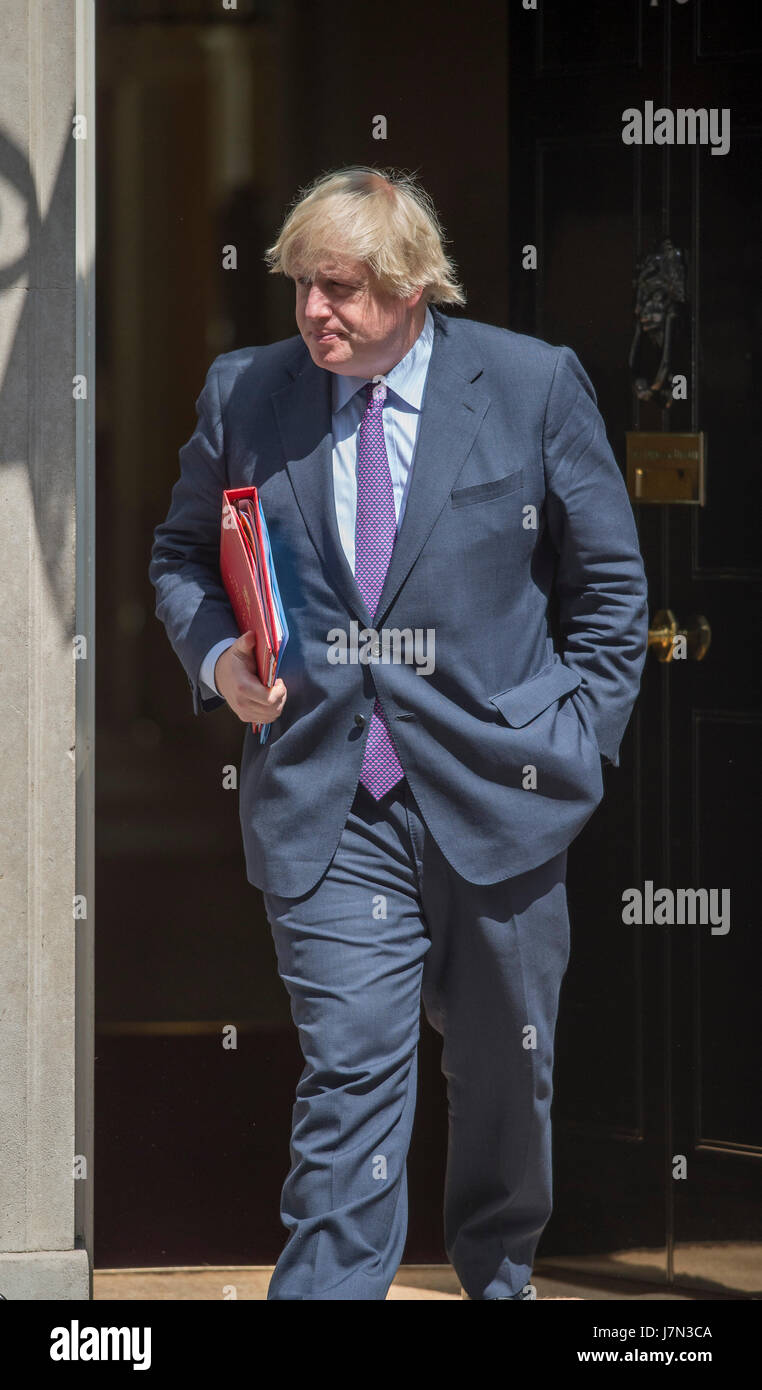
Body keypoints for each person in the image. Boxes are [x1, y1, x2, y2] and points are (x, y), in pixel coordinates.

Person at [149, 166, 649, 1301]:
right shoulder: (250, 393)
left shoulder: (529, 387)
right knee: (351, 1073)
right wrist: (220, 660)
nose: (316, 311)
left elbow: (610, 588)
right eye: (302, 288)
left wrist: (579, 735)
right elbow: (182, 557)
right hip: (331, 796)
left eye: (342, 289)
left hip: (503, 790)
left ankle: (499, 1275)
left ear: (415, 287)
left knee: (503, 1075)